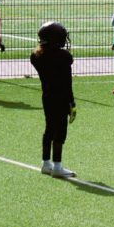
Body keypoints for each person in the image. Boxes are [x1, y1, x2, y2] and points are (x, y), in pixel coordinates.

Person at [30, 22, 77, 178]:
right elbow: (67, 83)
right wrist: (72, 103)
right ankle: (57, 166)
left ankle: (46, 163)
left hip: (47, 96)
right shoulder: (63, 57)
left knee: (49, 128)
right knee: (60, 131)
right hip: (61, 97)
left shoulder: (37, 56)